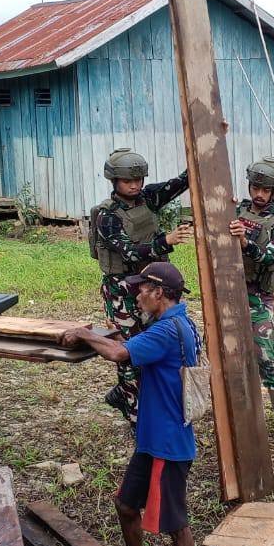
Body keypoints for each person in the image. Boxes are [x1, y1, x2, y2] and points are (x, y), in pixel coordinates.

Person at [63, 262, 201, 546]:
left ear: (159, 293)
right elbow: (132, 347)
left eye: (142, 290)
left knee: (176, 523)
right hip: (153, 438)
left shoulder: (167, 330)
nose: (137, 296)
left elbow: (118, 354)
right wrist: (109, 335)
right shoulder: (178, 323)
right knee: (126, 505)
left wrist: (84, 334)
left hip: (168, 444)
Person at [89, 148, 193, 428]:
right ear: (114, 181)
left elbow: (181, 182)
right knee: (128, 351)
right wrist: (166, 241)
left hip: (151, 287)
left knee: (153, 345)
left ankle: (131, 397)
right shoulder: (107, 216)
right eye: (127, 181)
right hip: (122, 290)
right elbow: (130, 252)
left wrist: (200, 156)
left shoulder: (147, 198)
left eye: (138, 179)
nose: (134, 185)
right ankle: (135, 415)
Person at [228, 155, 274, 446]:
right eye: (255, 187)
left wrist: (245, 242)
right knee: (227, 354)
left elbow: (270, 256)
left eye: (265, 190)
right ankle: (237, 415)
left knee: (267, 356)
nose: (259, 194)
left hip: (257, 297)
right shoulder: (235, 211)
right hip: (229, 293)